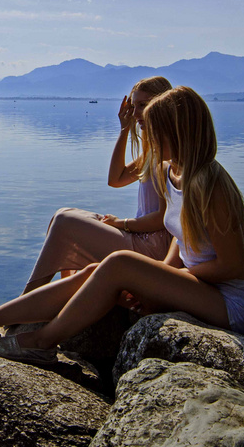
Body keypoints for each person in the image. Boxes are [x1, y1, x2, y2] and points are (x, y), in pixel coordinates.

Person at [0, 86, 244, 359]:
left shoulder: (211, 184)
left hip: (231, 303)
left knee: (118, 263)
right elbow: (180, 236)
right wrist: (162, 277)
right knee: (95, 272)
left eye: (154, 127)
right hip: (200, 287)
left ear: (178, 131)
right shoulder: (170, 171)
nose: (147, 133)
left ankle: (43, 342)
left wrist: (170, 278)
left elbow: (232, 266)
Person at [20, 75, 174, 294]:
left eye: (143, 105)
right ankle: (63, 292)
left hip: (153, 247)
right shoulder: (152, 150)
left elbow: (162, 218)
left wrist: (121, 223)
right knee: (62, 214)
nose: (136, 112)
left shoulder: (167, 152)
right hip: (142, 237)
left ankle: (30, 298)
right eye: (134, 106)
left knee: (65, 222)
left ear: (161, 104)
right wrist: (124, 129)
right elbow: (116, 179)